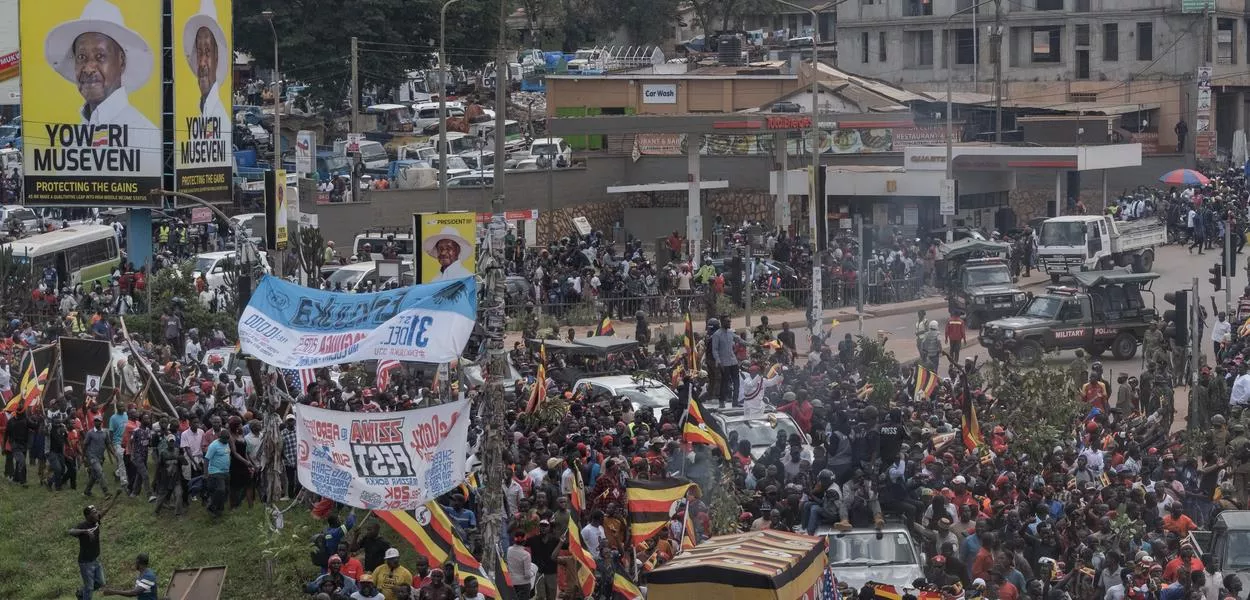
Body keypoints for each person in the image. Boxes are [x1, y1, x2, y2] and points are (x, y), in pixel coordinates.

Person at [44, 0, 161, 159]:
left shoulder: (146, 137)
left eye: (100, 56)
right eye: (81, 57)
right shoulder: (72, 141)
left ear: (121, 61)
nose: (89, 68)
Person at [69, 499, 118, 600]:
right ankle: (85, 595)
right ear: (88, 516)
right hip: (85, 562)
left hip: (95, 559)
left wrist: (116, 497)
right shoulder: (83, 525)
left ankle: (81, 592)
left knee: (101, 582)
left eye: (96, 512)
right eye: (94, 513)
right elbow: (71, 531)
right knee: (90, 587)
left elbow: (106, 510)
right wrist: (85, 532)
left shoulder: (96, 521)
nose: (97, 514)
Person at [203, 427, 231, 517]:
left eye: (227, 439)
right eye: (224, 439)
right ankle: (211, 506)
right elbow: (206, 459)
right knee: (221, 489)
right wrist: (206, 473)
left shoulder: (227, 443)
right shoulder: (214, 445)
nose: (226, 441)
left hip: (226, 471)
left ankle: (219, 509)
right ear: (220, 437)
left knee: (225, 492)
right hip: (215, 471)